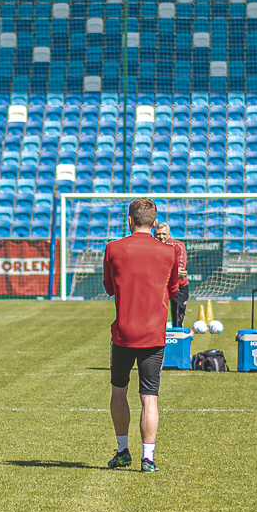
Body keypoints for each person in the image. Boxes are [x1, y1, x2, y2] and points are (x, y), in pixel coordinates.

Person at [104, 197, 181, 472]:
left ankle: (122, 451)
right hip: (153, 335)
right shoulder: (170, 252)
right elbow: (173, 290)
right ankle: (148, 458)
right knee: (149, 396)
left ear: (129, 220)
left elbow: (109, 288)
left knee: (119, 390)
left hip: (123, 334)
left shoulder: (113, 248)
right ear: (155, 222)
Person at [155, 221, 190, 328]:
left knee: (178, 318)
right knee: (156, 317)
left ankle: (177, 335)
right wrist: (172, 273)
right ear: (154, 235)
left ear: (169, 234)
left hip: (179, 285)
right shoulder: (152, 247)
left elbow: (181, 269)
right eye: (158, 234)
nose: (161, 237)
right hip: (159, 286)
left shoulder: (178, 246)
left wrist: (162, 272)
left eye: (164, 234)